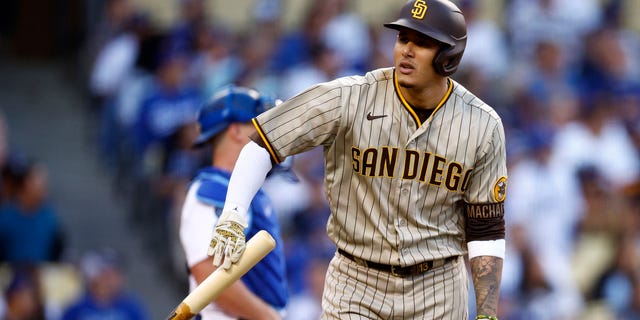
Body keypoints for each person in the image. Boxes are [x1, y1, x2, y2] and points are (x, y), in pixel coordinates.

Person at [208, 0, 507, 319]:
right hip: (356, 282)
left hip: (438, 289)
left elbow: (486, 228)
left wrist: (487, 312)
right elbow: (264, 141)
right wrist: (233, 214)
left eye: (421, 43)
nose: (406, 50)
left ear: (449, 56)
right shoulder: (350, 96)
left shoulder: (482, 125)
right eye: (403, 39)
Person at [179, 86, 288, 319]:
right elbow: (207, 273)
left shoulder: (253, 192)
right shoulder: (212, 190)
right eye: (261, 125)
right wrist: (269, 318)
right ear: (237, 131)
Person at [61, 248, 149, 320]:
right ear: (94, 277)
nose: (114, 280)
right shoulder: (77, 308)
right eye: (107, 275)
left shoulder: (131, 307)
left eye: (117, 274)